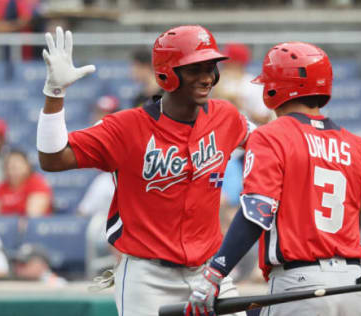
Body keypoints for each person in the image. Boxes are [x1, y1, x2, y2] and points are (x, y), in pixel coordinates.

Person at [36, 26, 254, 316]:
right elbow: (52, 159)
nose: (206, 77)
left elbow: (268, 146)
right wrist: (55, 93)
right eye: (195, 69)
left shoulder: (225, 116)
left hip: (210, 270)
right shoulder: (126, 127)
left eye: (210, 67)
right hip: (147, 277)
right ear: (166, 74)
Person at [185, 42, 361, 316]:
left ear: (275, 88)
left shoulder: (271, 135)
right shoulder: (355, 144)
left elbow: (257, 213)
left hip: (299, 285)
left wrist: (214, 273)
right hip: (354, 289)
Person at [213, 42, 272, 125]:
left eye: (228, 61)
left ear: (238, 63)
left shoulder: (253, 84)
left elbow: (264, 119)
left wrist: (239, 105)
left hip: (248, 133)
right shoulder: (220, 82)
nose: (224, 64)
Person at [0, 149, 52, 217]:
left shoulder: (37, 183)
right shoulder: (1, 187)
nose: (12, 170)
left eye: (16, 166)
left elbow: (33, 215)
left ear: (27, 166)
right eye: (8, 166)